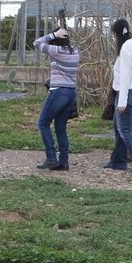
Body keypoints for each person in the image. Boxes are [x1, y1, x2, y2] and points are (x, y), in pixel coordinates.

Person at [105, 18, 132, 176]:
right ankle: (118, 161)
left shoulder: (125, 49)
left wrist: (122, 101)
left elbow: (125, 75)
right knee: (119, 126)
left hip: (128, 92)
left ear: (116, 34)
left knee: (125, 129)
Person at [33, 27, 79, 170]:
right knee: (60, 128)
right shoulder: (76, 51)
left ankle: (51, 158)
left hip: (59, 92)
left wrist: (53, 34)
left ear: (56, 40)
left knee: (43, 123)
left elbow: (36, 43)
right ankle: (63, 162)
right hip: (71, 93)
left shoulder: (56, 51)